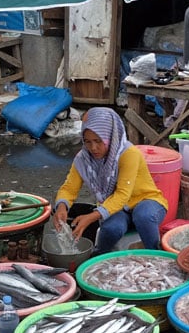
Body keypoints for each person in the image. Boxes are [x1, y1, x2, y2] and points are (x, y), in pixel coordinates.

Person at [52, 107, 167, 255]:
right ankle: (97, 259)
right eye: (87, 141)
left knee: (143, 216)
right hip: (116, 208)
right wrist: (61, 207)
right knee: (111, 229)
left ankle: (157, 256)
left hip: (147, 202)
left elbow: (122, 195)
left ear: (111, 136)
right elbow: (69, 188)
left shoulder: (128, 154)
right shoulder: (83, 158)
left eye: (98, 141)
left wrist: (92, 217)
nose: (93, 148)